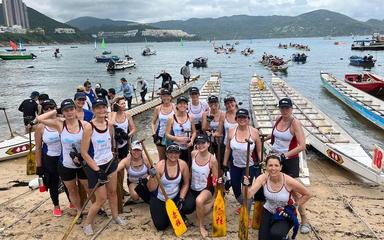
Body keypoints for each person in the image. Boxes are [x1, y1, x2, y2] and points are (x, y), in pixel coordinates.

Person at [36, 99, 89, 222]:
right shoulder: (56, 124)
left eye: (71, 109)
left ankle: (90, 207)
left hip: (77, 160)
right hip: (59, 161)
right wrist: (56, 110)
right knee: (64, 187)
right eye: (66, 110)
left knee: (86, 187)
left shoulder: (83, 124)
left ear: (75, 110)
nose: (69, 112)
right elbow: (39, 119)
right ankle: (70, 209)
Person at [80, 98, 125, 236]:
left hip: (110, 163)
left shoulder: (109, 124)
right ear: (93, 110)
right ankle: (87, 224)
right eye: (98, 108)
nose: (101, 110)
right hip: (95, 166)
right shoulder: (89, 127)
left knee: (113, 192)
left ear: (106, 109)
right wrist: (97, 170)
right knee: (101, 199)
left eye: (103, 108)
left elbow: (110, 142)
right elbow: (83, 152)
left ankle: (115, 216)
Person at [243, 155, 311, 240]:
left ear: (281, 167)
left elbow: (307, 194)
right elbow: (248, 195)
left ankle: (284, 236)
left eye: (276, 165)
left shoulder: (288, 181)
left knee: (275, 234)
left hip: (284, 213)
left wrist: (294, 206)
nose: (273, 168)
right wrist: (245, 185)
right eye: (270, 165)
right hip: (268, 210)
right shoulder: (263, 178)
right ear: (266, 167)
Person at [267, 97, 309, 234]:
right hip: (275, 159)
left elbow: (302, 146)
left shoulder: (295, 122)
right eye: (282, 108)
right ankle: (276, 210)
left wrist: (285, 155)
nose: (284, 110)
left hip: (289, 160)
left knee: (295, 192)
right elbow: (276, 135)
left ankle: (304, 220)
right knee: (274, 186)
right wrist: (264, 136)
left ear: (292, 109)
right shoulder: (278, 118)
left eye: (287, 108)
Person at [222, 109, 262, 224]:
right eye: (239, 117)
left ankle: (247, 213)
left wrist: (260, 163)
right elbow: (228, 149)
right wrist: (225, 163)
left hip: (248, 167)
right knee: (236, 190)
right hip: (235, 165)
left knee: (246, 190)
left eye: (244, 117)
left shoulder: (254, 132)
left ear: (248, 119)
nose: (242, 119)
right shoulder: (231, 130)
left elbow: (259, 150)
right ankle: (245, 203)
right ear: (236, 119)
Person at [147, 143, 195, 231]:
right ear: (166, 154)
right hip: (161, 198)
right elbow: (151, 189)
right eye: (170, 152)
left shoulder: (183, 165)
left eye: (176, 153)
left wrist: (181, 199)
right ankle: (169, 213)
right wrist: (152, 176)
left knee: (189, 206)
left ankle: (180, 212)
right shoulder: (160, 166)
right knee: (160, 226)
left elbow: (186, 184)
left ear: (179, 154)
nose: (173, 155)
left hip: (175, 196)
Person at [35, 99, 66, 216]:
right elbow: (38, 148)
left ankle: (72, 202)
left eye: (51, 108)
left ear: (55, 108)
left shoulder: (62, 121)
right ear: (43, 110)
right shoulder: (41, 127)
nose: (49, 110)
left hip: (63, 156)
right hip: (50, 159)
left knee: (68, 182)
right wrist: (39, 166)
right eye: (46, 108)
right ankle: (56, 206)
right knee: (53, 183)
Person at [190, 134, 218, 237]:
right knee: (193, 209)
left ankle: (201, 226)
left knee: (199, 201)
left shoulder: (213, 160)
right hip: (193, 186)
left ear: (208, 144)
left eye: (203, 143)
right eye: (198, 143)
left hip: (206, 188)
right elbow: (190, 171)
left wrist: (216, 194)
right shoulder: (193, 154)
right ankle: (208, 204)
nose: (200, 145)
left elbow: (215, 179)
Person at [165, 96, 196, 163]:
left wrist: (192, 140)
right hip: (176, 147)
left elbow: (194, 132)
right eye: (180, 103)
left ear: (187, 106)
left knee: (188, 164)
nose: (182, 105)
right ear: (176, 105)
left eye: (184, 103)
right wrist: (178, 139)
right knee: (176, 164)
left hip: (188, 146)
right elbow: (167, 134)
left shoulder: (191, 117)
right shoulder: (171, 118)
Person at [151, 89, 175, 161]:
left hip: (172, 135)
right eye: (164, 96)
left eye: (167, 95)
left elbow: (179, 120)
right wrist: (154, 135)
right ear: (161, 97)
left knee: (172, 157)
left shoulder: (174, 106)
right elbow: (153, 123)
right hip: (160, 135)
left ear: (170, 97)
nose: (166, 98)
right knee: (162, 158)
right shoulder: (158, 108)